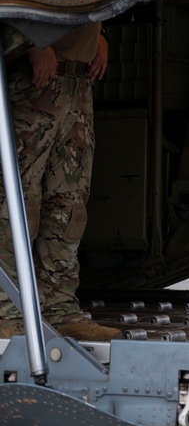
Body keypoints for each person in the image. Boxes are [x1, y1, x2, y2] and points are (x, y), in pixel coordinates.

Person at [0, 23, 122, 341]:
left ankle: (59, 310)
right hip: (32, 78)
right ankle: (6, 312)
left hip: (76, 83)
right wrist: (32, 43)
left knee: (68, 206)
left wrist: (101, 36)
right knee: (15, 203)